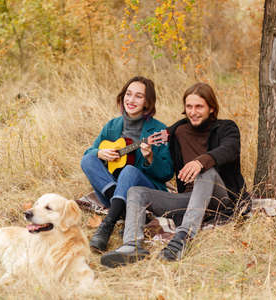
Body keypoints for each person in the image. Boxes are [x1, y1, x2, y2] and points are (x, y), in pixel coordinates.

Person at [100, 82, 250, 267]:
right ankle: (132, 245)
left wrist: (200, 161)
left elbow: (229, 149)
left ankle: (182, 238)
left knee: (206, 171)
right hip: (188, 200)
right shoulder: (178, 130)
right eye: (189, 107)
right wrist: (149, 155)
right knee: (137, 192)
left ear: (211, 108)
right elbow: (158, 138)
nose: (193, 112)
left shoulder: (227, 128)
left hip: (221, 198)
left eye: (199, 107)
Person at [81, 76, 173, 252]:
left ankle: (108, 224)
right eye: (128, 94)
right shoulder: (113, 126)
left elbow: (167, 173)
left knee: (129, 170)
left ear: (147, 102)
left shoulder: (158, 131)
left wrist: (150, 158)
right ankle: (123, 211)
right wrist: (99, 153)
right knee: (88, 159)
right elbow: (89, 153)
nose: (131, 100)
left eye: (138, 96)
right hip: (114, 193)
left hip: (144, 193)